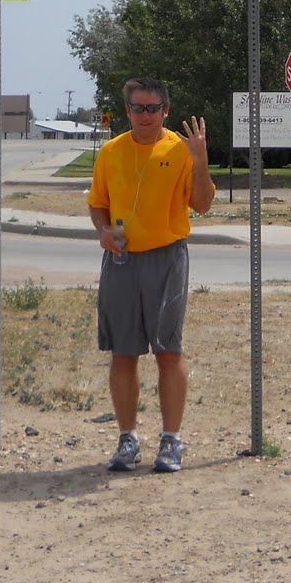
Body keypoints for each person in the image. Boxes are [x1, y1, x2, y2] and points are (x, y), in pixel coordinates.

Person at [88, 77, 216, 473]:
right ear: (127, 111)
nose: (145, 115)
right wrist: (103, 232)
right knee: (123, 353)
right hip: (122, 260)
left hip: (167, 258)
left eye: (153, 108)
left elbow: (203, 204)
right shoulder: (111, 152)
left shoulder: (180, 150)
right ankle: (127, 439)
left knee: (168, 351)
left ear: (165, 111)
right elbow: (97, 204)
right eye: (138, 108)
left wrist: (200, 160)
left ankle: (171, 440)